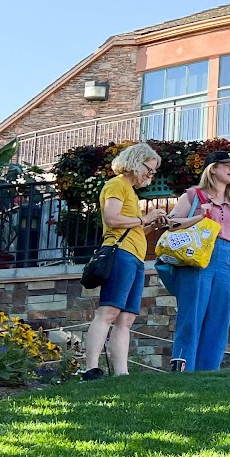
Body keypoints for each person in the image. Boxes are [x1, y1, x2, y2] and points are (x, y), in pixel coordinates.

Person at [81, 142, 167, 380]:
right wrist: (144, 218)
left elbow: (132, 228)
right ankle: (90, 369)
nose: (150, 175)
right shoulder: (117, 184)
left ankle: (122, 373)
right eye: (149, 170)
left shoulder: (129, 190)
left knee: (126, 318)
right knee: (109, 311)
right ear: (136, 163)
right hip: (121, 254)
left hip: (135, 257)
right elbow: (112, 219)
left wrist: (151, 224)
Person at [162, 150, 230, 372]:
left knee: (219, 317)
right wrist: (199, 217)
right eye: (226, 165)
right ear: (213, 169)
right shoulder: (193, 195)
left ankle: (209, 371)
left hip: (226, 259)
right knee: (192, 313)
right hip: (197, 256)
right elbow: (171, 224)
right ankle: (183, 368)